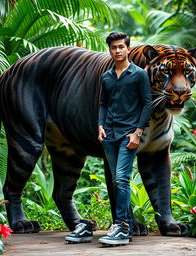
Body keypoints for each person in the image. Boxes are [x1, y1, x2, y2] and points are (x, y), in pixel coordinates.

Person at [65, 32, 152, 245]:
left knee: (122, 178)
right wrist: (100, 126)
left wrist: (138, 132)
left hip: (128, 135)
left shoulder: (139, 74)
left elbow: (147, 103)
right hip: (109, 135)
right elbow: (102, 103)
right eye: (114, 47)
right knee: (116, 181)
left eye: (121, 46)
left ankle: (121, 226)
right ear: (110, 50)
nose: (118, 50)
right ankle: (124, 226)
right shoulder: (107, 76)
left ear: (128, 49)